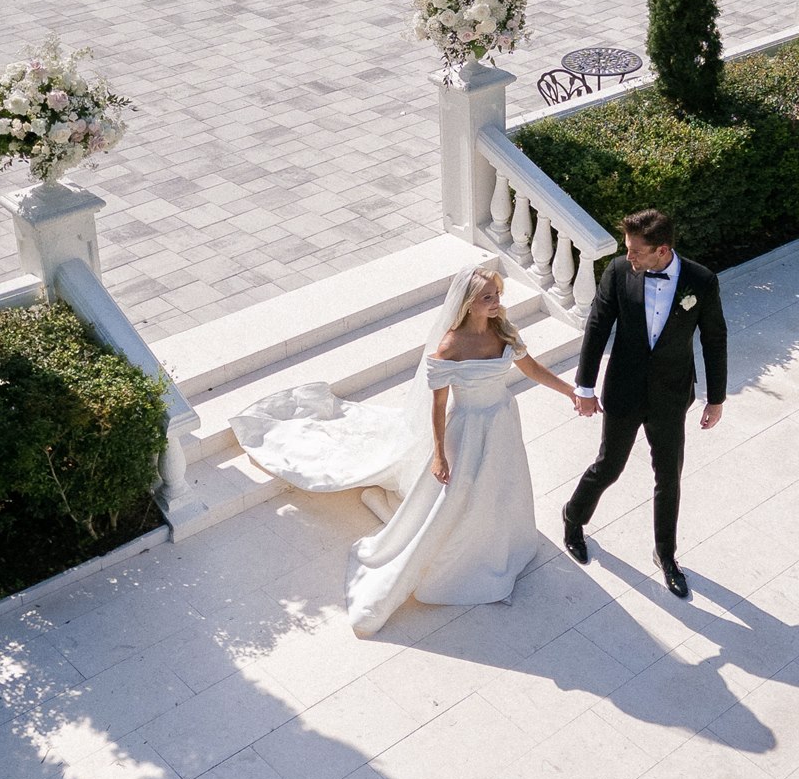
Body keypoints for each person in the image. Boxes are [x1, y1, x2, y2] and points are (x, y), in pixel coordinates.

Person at [232, 267, 578, 637]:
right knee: (457, 495)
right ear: (468, 303)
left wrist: (571, 391)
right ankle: (456, 558)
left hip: (503, 420)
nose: (496, 303)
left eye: (497, 294)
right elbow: (438, 405)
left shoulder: (504, 331)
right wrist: (440, 455)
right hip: (468, 427)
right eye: (487, 297)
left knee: (501, 482)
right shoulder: (449, 346)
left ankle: (498, 542)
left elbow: (532, 368)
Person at [562, 207, 727, 598]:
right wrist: (584, 387)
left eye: (636, 250)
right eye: (627, 248)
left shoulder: (700, 281)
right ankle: (573, 517)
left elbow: (714, 339)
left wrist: (716, 399)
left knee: (668, 476)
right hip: (624, 390)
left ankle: (666, 555)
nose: (628, 256)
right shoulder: (619, 272)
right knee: (609, 466)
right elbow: (598, 325)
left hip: (672, 394)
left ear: (662, 250)